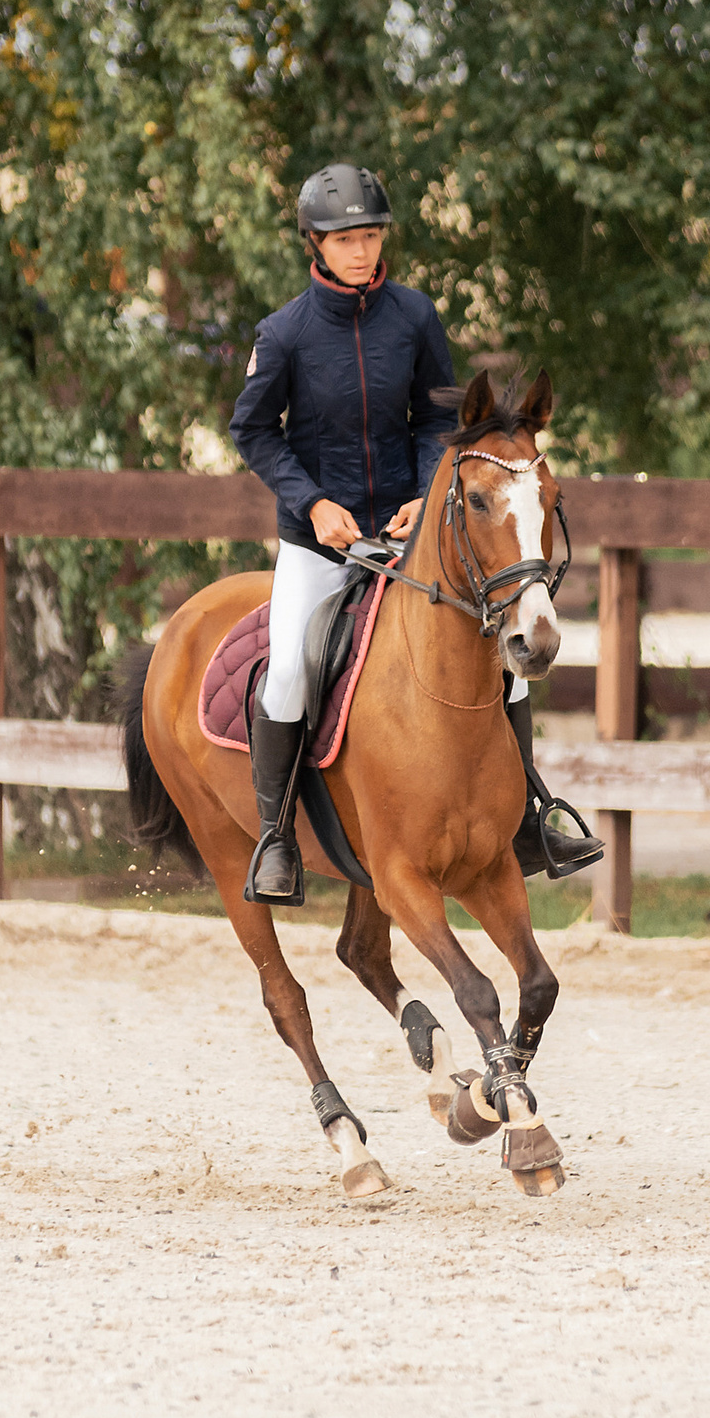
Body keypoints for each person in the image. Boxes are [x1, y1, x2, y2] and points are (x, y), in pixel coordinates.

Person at [227, 162, 602, 903]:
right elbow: (254, 431)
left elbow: (439, 421)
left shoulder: (414, 317)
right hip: (320, 540)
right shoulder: (284, 333)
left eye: (370, 236)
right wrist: (313, 504)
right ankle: (275, 838)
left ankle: (528, 820)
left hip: (409, 533)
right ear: (315, 244)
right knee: (291, 671)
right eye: (346, 240)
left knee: (501, 658)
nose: (361, 251)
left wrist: (418, 497)